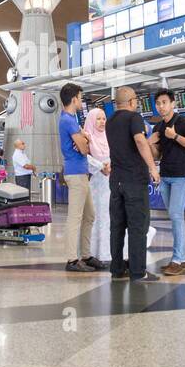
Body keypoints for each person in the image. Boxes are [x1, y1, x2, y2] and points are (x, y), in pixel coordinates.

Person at [105, 87, 161, 282]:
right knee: (138, 227)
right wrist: (153, 168)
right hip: (134, 180)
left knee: (117, 226)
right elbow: (139, 141)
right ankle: (138, 272)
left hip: (116, 181)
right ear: (132, 101)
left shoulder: (109, 121)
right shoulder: (134, 118)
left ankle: (117, 269)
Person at [149, 89, 185, 275]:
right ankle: (184, 259)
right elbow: (157, 155)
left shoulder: (183, 122)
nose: (161, 106)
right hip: (166, 176)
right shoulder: (157, 128)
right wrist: (151, 143)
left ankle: (177, 260)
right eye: (158, 103)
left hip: (181, 175)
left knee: (176, 215)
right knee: (174, 216)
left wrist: (176, 136)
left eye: (164, 102)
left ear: (173, 103)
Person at [58, 83, 99, 272]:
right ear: (74, 99)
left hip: (81, 173)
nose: (81, 101)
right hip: (75, 173)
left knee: (89, 215)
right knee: (75, 217)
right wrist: (86, 139)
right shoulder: (68, 120)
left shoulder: (71, 119)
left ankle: (86, 254)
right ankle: (72, 260)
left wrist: (85, 138)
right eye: (80, 98)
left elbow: (84, 142)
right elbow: (84, 148)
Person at [82, 107, 113, 264]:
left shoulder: (109, 137)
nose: (102, 122)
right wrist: (101, 167)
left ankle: (107, 252)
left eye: (104, 118)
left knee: (108, 216)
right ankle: (92, 252)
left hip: (110, 182)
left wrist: (110, 167)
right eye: (98, 119)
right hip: (95, 183)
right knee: (95, 216)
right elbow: (85, 158)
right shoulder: (87, 137)